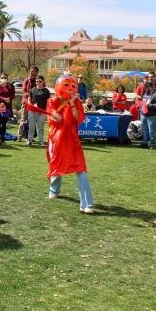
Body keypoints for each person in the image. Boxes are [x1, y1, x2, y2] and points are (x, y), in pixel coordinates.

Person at [46, 75, 95, 214]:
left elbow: (77, 118)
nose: (70, 88)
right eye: (66, 85)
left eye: (73, 86)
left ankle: (86, 204)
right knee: (56, 164)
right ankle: (54, 190)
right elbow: (51, 115)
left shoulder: (77, 102)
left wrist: (72, 103)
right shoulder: (52, 101)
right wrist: (55, 116)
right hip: (56, 139)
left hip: (72, 140)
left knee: (81, 169)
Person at [0, 73, 15, 145]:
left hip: (7, 107)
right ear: (0, 78)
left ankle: (2, 139)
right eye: (2, 77)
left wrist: (6, 101)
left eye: (5, 78)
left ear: (7, 78)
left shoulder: (11, 86)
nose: (3, 79)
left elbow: (12, 95)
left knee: (4, 123)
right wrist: (3, 99)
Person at [27, 75, 50, 147]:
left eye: (40, 81)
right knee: (31, 127)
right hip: (32, 111)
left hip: (41, 112)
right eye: (36, 81)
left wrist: (45, 111)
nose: (38, 83)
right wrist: (31, 106)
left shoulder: (46, 91)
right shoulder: (33, 90)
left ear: (43, 82)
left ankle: (41, 141)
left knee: (41, 128)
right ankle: (29, 140)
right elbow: (29, 99)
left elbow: (48, 102)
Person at [139, 82, 156, 150]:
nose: (145, 89)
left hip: (152, 116)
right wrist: (141, 109)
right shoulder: (145, 94)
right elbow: (142, 102)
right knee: (144, 130)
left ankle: (152, 144)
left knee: (151, 131)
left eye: (146, 88)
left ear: (150, 87)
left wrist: (150, 105)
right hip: (143, 115)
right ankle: (144, 143)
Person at [18, 66, 38, 141]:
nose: (31, 72)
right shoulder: (27, 80)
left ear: (37, 72)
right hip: (26, 103)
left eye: (33, 71)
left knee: (32, 121)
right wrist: (30, 94)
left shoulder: (38, 80)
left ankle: (30, 137)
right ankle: (19, 136)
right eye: (30, 71)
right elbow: (24, 92)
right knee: (23, 120)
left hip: (34, 104)